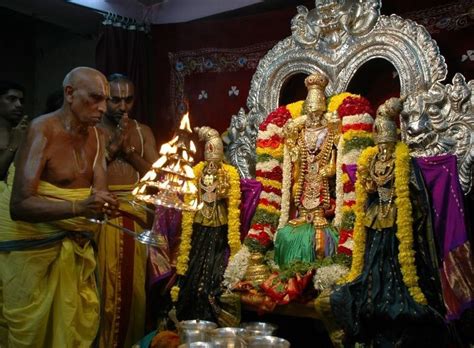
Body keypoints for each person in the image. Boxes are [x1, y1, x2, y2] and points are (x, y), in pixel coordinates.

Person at [0, 67, 119, 347]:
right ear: (69, 93)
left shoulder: (98, 136)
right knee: (32, 333)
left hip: (74, 246)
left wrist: (106, 203)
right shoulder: (42, 129)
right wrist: (79, 209)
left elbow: (100, 189)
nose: (104, 108)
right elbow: (20, 205)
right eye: (95, 98)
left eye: (106, 100)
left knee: (76, 325)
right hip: (31, 248)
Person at [330, 98, 448, 347]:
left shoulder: (404, 161)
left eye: (387, 145)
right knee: (372, 261)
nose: (383, 150)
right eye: (380, 146)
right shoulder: (371, 160)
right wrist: (370, 186)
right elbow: (367, 189)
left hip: (397, 219)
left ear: (393, 140)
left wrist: (397, 195)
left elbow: (415, 194)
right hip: (375, 218)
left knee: (394, 258)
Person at [96, 73, 158, 348]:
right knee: (101, 289)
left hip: (135, 216)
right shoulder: (92, 129)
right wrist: (112, 149)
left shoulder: (143, 131)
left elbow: (159, 176)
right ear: (104, 99)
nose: (123, 107)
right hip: (102, 216)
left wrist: (130, 153)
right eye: (116, 100)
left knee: (135, 291)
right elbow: (84, 175)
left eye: (128, 99)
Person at [172, 126, 241, 322]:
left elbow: (231, 197)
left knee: (215, 258)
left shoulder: (228, 172)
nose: (212, 163)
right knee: (195, 256)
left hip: (219, 221)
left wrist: (220, 189)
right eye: (209, 157)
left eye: (215, 157)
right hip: (201, 218)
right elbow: (192, 195)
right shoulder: (197, 171)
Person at [274, 72, 339, 267]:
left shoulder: (330, 130)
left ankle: (318, 215)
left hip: (322, 180)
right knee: (288, 231)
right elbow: (294, 155)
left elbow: (337, 156)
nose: (314, 117)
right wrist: (293, 145)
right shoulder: (300, 131)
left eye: (317, 113)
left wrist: (330, 168)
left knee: (321, 232)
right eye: (311, 113)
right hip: (303, 177)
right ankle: (303, 215)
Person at [0, 81, 28, 184]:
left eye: (21, 101)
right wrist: (13, 145)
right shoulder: (17, 136)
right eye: (12, 99)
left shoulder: (26, 131)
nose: (19, 105)